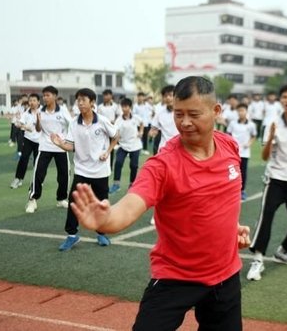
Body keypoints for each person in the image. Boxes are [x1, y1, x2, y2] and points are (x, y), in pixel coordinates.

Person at [69, 76, 250, 330]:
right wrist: (106, 221)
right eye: (178, 114)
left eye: (193, 114)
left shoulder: (229, 145)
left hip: (225, 276)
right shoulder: (163, 164)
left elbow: (220, 200)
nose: (184, 123)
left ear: (216, 111)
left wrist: (231, 228)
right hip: (177, 277)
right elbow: (131, 205)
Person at [247, 85, 287, 281]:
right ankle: (257, 260)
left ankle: (284, 252)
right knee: (266, 218)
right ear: (280, 101)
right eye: (284, 97)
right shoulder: (273, 123)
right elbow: (265, 156)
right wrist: (270, 138)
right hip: (276, 179)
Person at [50, 88, 118, 250]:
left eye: (83, 100)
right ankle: (72, 235)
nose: (80, 103)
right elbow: (71, 146)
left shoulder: (102, 120)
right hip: (81, 170)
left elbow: (116, 136)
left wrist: (107, 152)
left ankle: (101, 233)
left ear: (92, 103)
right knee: (74, 201)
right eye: (78, 100)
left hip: (101, 170)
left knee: (101, 204)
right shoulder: (74, 123)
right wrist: (60, 144)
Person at [25, 86, 72, 213]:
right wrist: (39, 121)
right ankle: (32, 200)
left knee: (64, 175)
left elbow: (72, 125)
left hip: (60, 147)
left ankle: (61, 199)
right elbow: (39, 129)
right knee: (38, 173)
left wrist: (66, 141)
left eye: (48, 95)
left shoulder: (62, 111)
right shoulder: (40, 111)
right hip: (45, 146)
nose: (45, 98)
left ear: (55, 96)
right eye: (44, 95)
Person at [110, 98, 143, 194]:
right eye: (122, 107)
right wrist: (117, 137)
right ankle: (116, 185)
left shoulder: (136, 118)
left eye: (126, 106)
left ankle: (132, 184)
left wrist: (141, 131)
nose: (124, 109)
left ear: (130, 107)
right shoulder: (119, 120)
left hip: (135, 145)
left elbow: (141, 123)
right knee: (118, 162)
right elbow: (115, 131)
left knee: (134, 165)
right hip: (123, 145)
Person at [227, 103, 257, 201]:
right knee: (232, 171)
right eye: (239, 111)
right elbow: (228, 134)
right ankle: (231, 190)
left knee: (243, 172)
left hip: (244, 153)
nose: (241, 113)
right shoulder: (233, 123)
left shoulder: (251, 125)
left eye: (242, 110)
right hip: (233, 152)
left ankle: (242, 190)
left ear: (246, 111)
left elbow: (253, 136)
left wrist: (249, 144)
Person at [10, 93, 41, 189]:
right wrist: (23, 126)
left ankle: (37, 181)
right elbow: (18, 124)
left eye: (34, 100)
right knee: (23, 159)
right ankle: (18, 179)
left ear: (38, 102)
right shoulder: (26, 112)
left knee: (38, 162)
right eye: (30, 100)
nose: (31, 102)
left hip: (40, 141)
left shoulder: (42, 112)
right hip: (28, 139)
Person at [149, 85, 179, 152]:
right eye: (165, 96)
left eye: (170, 95)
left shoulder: (182, 112)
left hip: (179, 148)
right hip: (164, 148)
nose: (168, 98)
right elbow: (153, 129)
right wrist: (152, 132)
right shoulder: (160, 114)